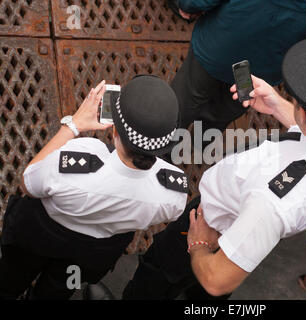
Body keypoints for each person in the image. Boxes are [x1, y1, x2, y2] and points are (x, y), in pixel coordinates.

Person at [87, 37, 306, 299]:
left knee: (161, 271)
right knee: (202, 293)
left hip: (214, 223)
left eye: (295, 100)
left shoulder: (272, 202)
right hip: (245, 227)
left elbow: (217, 279)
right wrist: (279, 105)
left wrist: (199, 244)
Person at [0, 75, 188, 300]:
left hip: (38, 236)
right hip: (92, 255)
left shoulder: (81, 156)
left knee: (11, 279)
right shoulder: (174, 191)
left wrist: (73, 125)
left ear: (115, 131)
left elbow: (29, 183)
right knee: (58, 289)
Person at [168, 0, 306, 135]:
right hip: (256, 72)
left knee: (186, 97)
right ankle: (201, 142)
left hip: (218, 47)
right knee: (229, 107)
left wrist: (189, 4)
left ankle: (160, 146)